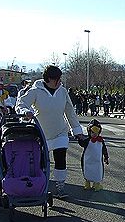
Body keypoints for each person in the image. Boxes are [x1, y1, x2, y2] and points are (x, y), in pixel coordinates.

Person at [15, 65, 86, 199]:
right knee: (41, 161)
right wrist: (25, 112)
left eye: (60, 79)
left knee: (60, 157)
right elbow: (21, 103)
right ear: (48, 79)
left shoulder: (62, 91)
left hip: (60, 131)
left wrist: (77, 131)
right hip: (41, 133)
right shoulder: (36, 91)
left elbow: (70, 112)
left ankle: (60, 187)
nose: (59, 82)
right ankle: (40, 186)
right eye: (56, 80)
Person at [79, 119, 109, 190]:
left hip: (97, 161)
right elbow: (82, 144)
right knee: (87, 170)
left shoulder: (100, 141)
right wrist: (79, 138)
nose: (95, 134)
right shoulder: (87, 141)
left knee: (98, 172)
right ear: (89, 132)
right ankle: (87, 183)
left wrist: (106, 157)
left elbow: (104, 149)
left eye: (97, 132)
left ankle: (97, 184)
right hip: (87, 160)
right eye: (92, 132)